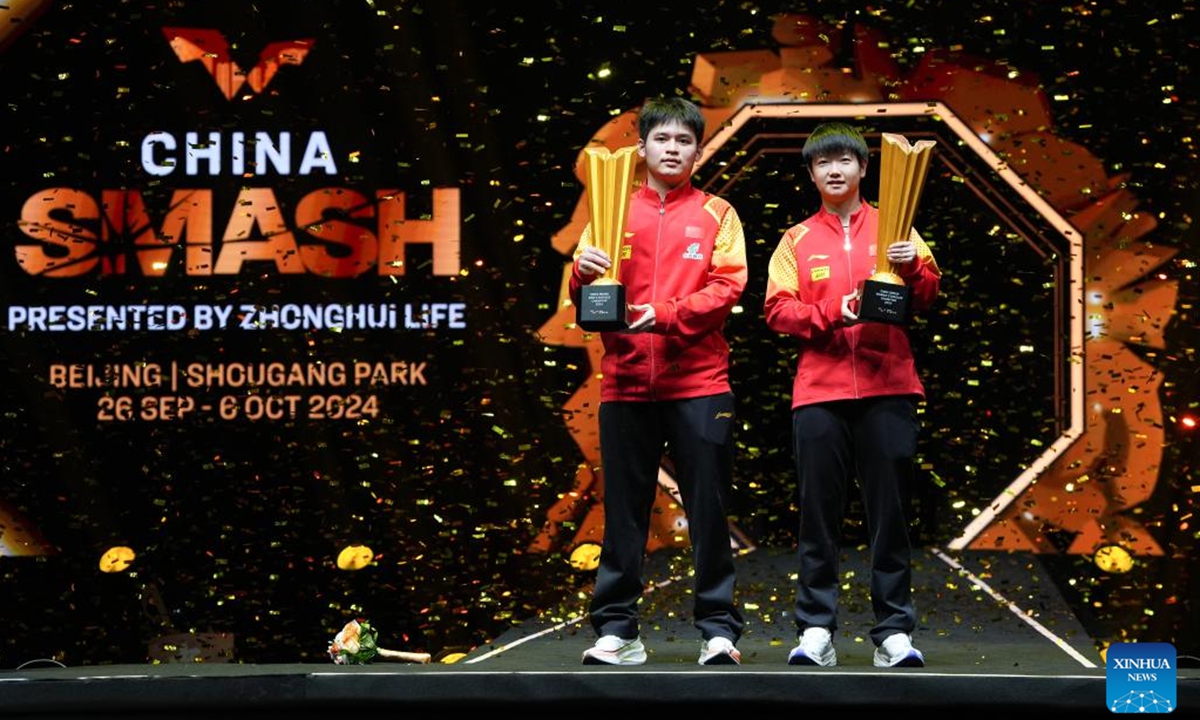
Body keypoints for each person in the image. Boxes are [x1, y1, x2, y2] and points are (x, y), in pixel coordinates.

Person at [571, 96, 747, 666]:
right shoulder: (608, 210)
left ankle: (718, 630)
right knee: (623, 510)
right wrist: (581, 275)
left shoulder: (718, 213)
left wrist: (665, 313)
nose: (673, 149)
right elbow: (583, 300)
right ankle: (618, 630)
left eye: (684, 141)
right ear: (642, 147)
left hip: (699, 383)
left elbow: (727, 287)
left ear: (699, 149)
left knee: (708, 507)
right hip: (625, 383)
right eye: (662, 140)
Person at [763, 122, 940, 668]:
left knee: (891, 514)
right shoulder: (795, 239)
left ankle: (893, 632)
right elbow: (777, 309)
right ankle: (816, 629)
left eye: (845, 160)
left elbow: (932, 293)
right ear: (812, 174)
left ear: (864, 168)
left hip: (890, 386)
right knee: (819, 514)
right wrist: (831, 313)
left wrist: (911, 264)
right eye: (823, 163)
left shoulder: (898, 224)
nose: (834, 170)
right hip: (819, 393)